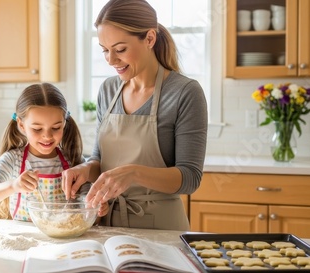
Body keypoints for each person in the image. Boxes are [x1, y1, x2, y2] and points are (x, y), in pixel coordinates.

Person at [62, 0, 208, 230]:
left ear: (150, 38)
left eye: (120, 49)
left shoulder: (185, 92)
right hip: (108, 226)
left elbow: (190, 178)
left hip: (161, 229)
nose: (110, 60)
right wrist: (84, 170)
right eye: (105, 50)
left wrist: (134, 174)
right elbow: (100, 161)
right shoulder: (108, 90)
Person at [0, 83, 96, 221]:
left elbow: (87, 204)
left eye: (56, 127)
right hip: (25, 239)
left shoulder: (74, 160)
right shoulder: (13, 160)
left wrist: (94, 207)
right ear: (21, 125)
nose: (47, 136)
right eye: (37, 129)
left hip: (65, 239)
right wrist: (13, 186)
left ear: (64, 123)